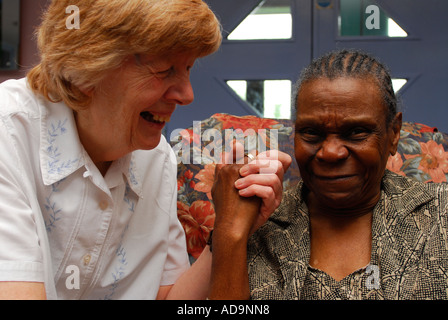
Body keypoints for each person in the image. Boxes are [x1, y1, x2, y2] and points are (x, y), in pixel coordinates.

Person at [0, 0, 291, 300]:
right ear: (86, 69)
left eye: (188, 68)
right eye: (164, 70)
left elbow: (167, 297)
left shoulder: (155, 157)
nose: (187, 94)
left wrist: (228, 230)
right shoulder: (8, 134)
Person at [209, 49, 448, 300]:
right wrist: (229, 232)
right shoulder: (259, 225)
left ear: (394, 133)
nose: (331, 153)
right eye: (311, 132)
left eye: (356, 132)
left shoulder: (440, 214)